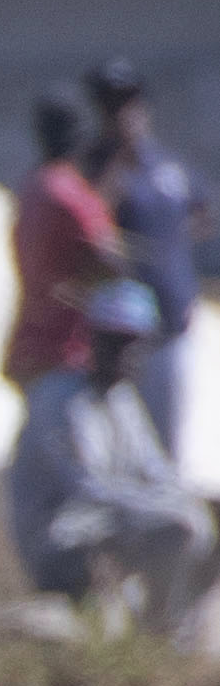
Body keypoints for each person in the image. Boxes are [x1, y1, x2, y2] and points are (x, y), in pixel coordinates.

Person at [18, 283, 218, 643]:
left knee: (203, 521)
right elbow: (88, 489)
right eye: (116, 341)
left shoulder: (123, 400)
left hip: (113, 526)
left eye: (135, 343)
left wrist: (195, 499)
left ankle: (177, 632)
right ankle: (159, 636)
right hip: (61, 540)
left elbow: (157, 472)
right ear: (93, 340)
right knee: (181, 526)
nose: (127, 353)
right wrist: (174, 508)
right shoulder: (62, 400)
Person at [104, 68, 206, 465]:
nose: (126, 116)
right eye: (116, 108)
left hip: (172, 323)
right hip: (127, 338)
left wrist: (175, 244)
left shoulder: (164, 165)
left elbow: (203, 207)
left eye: (132, 105)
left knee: (168, 449)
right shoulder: (106, 170)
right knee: (126, 453)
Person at [14, 95, 120, 401]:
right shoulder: (70, 193)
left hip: (31, 340)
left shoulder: (32, 186)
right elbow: (107, 260)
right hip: (68, 347)